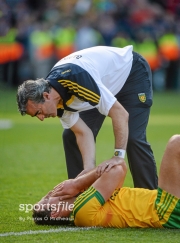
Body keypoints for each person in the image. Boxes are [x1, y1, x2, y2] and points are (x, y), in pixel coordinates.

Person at [17, 45, 158, 188]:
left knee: (133, 138)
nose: (41, 118)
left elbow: (120, 114)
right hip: (101, 85)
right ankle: (79, 193)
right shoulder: (55, 98)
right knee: (70, 136)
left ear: (46, 96)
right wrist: (89, 168)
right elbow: (82, 133)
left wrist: (118, 157)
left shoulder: (76, 80)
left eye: (38, 112)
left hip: (131, 74)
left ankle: (150, 198)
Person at [33, 135, 180, 228]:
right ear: (55, 214)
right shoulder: (81, 211)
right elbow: (117, 170)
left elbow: (121, 167)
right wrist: (78, 184)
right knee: (176, 143)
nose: (50, 193)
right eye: (47, 199)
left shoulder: (84, 201)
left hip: (163, 205)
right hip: (163, 211)